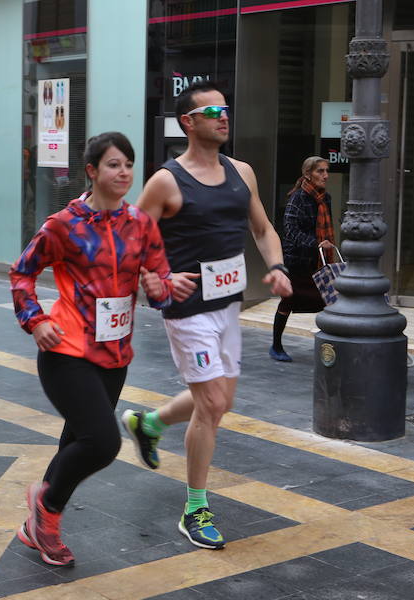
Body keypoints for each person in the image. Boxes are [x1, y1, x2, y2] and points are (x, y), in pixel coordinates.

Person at [124, 81, 292, 550]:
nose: (224, 116)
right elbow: (131, 243)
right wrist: (159, 276)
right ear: (188, 122)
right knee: (213, 404)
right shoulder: (166, 181)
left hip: (227, 306)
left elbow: (263, 230)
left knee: (219, 403)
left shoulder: (242, 173)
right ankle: (195, 507)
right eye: (212, 110)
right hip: (187, 311)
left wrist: (276, 267)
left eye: (226, 109)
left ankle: (149, 423)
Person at [9, 132, 174, 567]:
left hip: (115, 355)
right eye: (114, 165)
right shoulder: (64, 225)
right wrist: (36, 319)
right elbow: (22, 273)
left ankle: (36, 519)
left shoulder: (141, 224)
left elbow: (160, 287)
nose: (123, 173)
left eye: (128, 165)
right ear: (92, 171)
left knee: (76, 440)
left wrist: (159, 288)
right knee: (102, 442)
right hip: (66, 349)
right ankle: (47, 512)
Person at [270, 156, 335, 362]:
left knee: (329, 301)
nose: (325, 175)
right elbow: (290, 231)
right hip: (298, 261)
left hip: (319, 261)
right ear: (308, 174)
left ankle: (330, 346)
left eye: (326, 170)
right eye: (320, 171)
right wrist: (316, 243)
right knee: (288, 301)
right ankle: (276, 346)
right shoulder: (298, 198)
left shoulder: (326, 198)